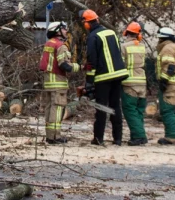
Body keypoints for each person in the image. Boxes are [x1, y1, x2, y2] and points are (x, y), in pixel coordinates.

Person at [81, 9, 126, 146]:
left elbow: (91, 61)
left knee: (101, 107)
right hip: (118, 75)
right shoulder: (112, 32)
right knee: (115, 106)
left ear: (87, 24)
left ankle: (98, 138)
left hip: (103, 77)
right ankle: (117, 139)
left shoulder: (92, 37)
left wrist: (89, 82)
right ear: (98, 20)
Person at [39, 21, 79, 144]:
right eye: (64, 29)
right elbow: (64, 65)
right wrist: (80, 66)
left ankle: (49, 135)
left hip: (48, 82)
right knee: (57, 110)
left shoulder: (48, 44)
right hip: (58, 83)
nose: (66, 31)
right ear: (58, 31)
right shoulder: (60, 45)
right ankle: (55, 137)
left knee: (50, 108)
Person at [120, 22, 149, 145]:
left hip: (129, 83)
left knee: (130, 110)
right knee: (139, 111)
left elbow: (120, 64)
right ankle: (138, 135)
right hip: (142, 82)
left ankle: (139, 136)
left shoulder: (124, 46)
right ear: (139, 35)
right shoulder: (142, 47)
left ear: (126, 33)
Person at [155, 27, 175, 145]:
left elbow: (169, 66)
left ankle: (170, 137)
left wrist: (164, 80)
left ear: (162, 38)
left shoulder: (167, 48)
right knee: (174, 111)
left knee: (167, 110)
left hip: (172, 82)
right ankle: (173, 135)